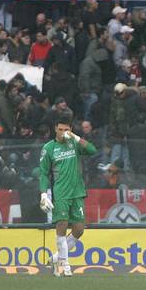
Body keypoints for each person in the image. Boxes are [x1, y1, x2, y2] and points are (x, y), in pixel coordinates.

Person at [39, 118, 97, 277]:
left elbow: (92, 150)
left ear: (70, 130)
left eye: (66, 129)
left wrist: (76, 137)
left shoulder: (74, 143)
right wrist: (44, 194)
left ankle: (55, 258)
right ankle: (65, 265)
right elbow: (43, 173)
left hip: (77, 192)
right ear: (55, 129)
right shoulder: (49, 148)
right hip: (61, 193)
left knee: (79, 230)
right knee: (62, 226)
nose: (63, 132)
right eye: (60, 129)